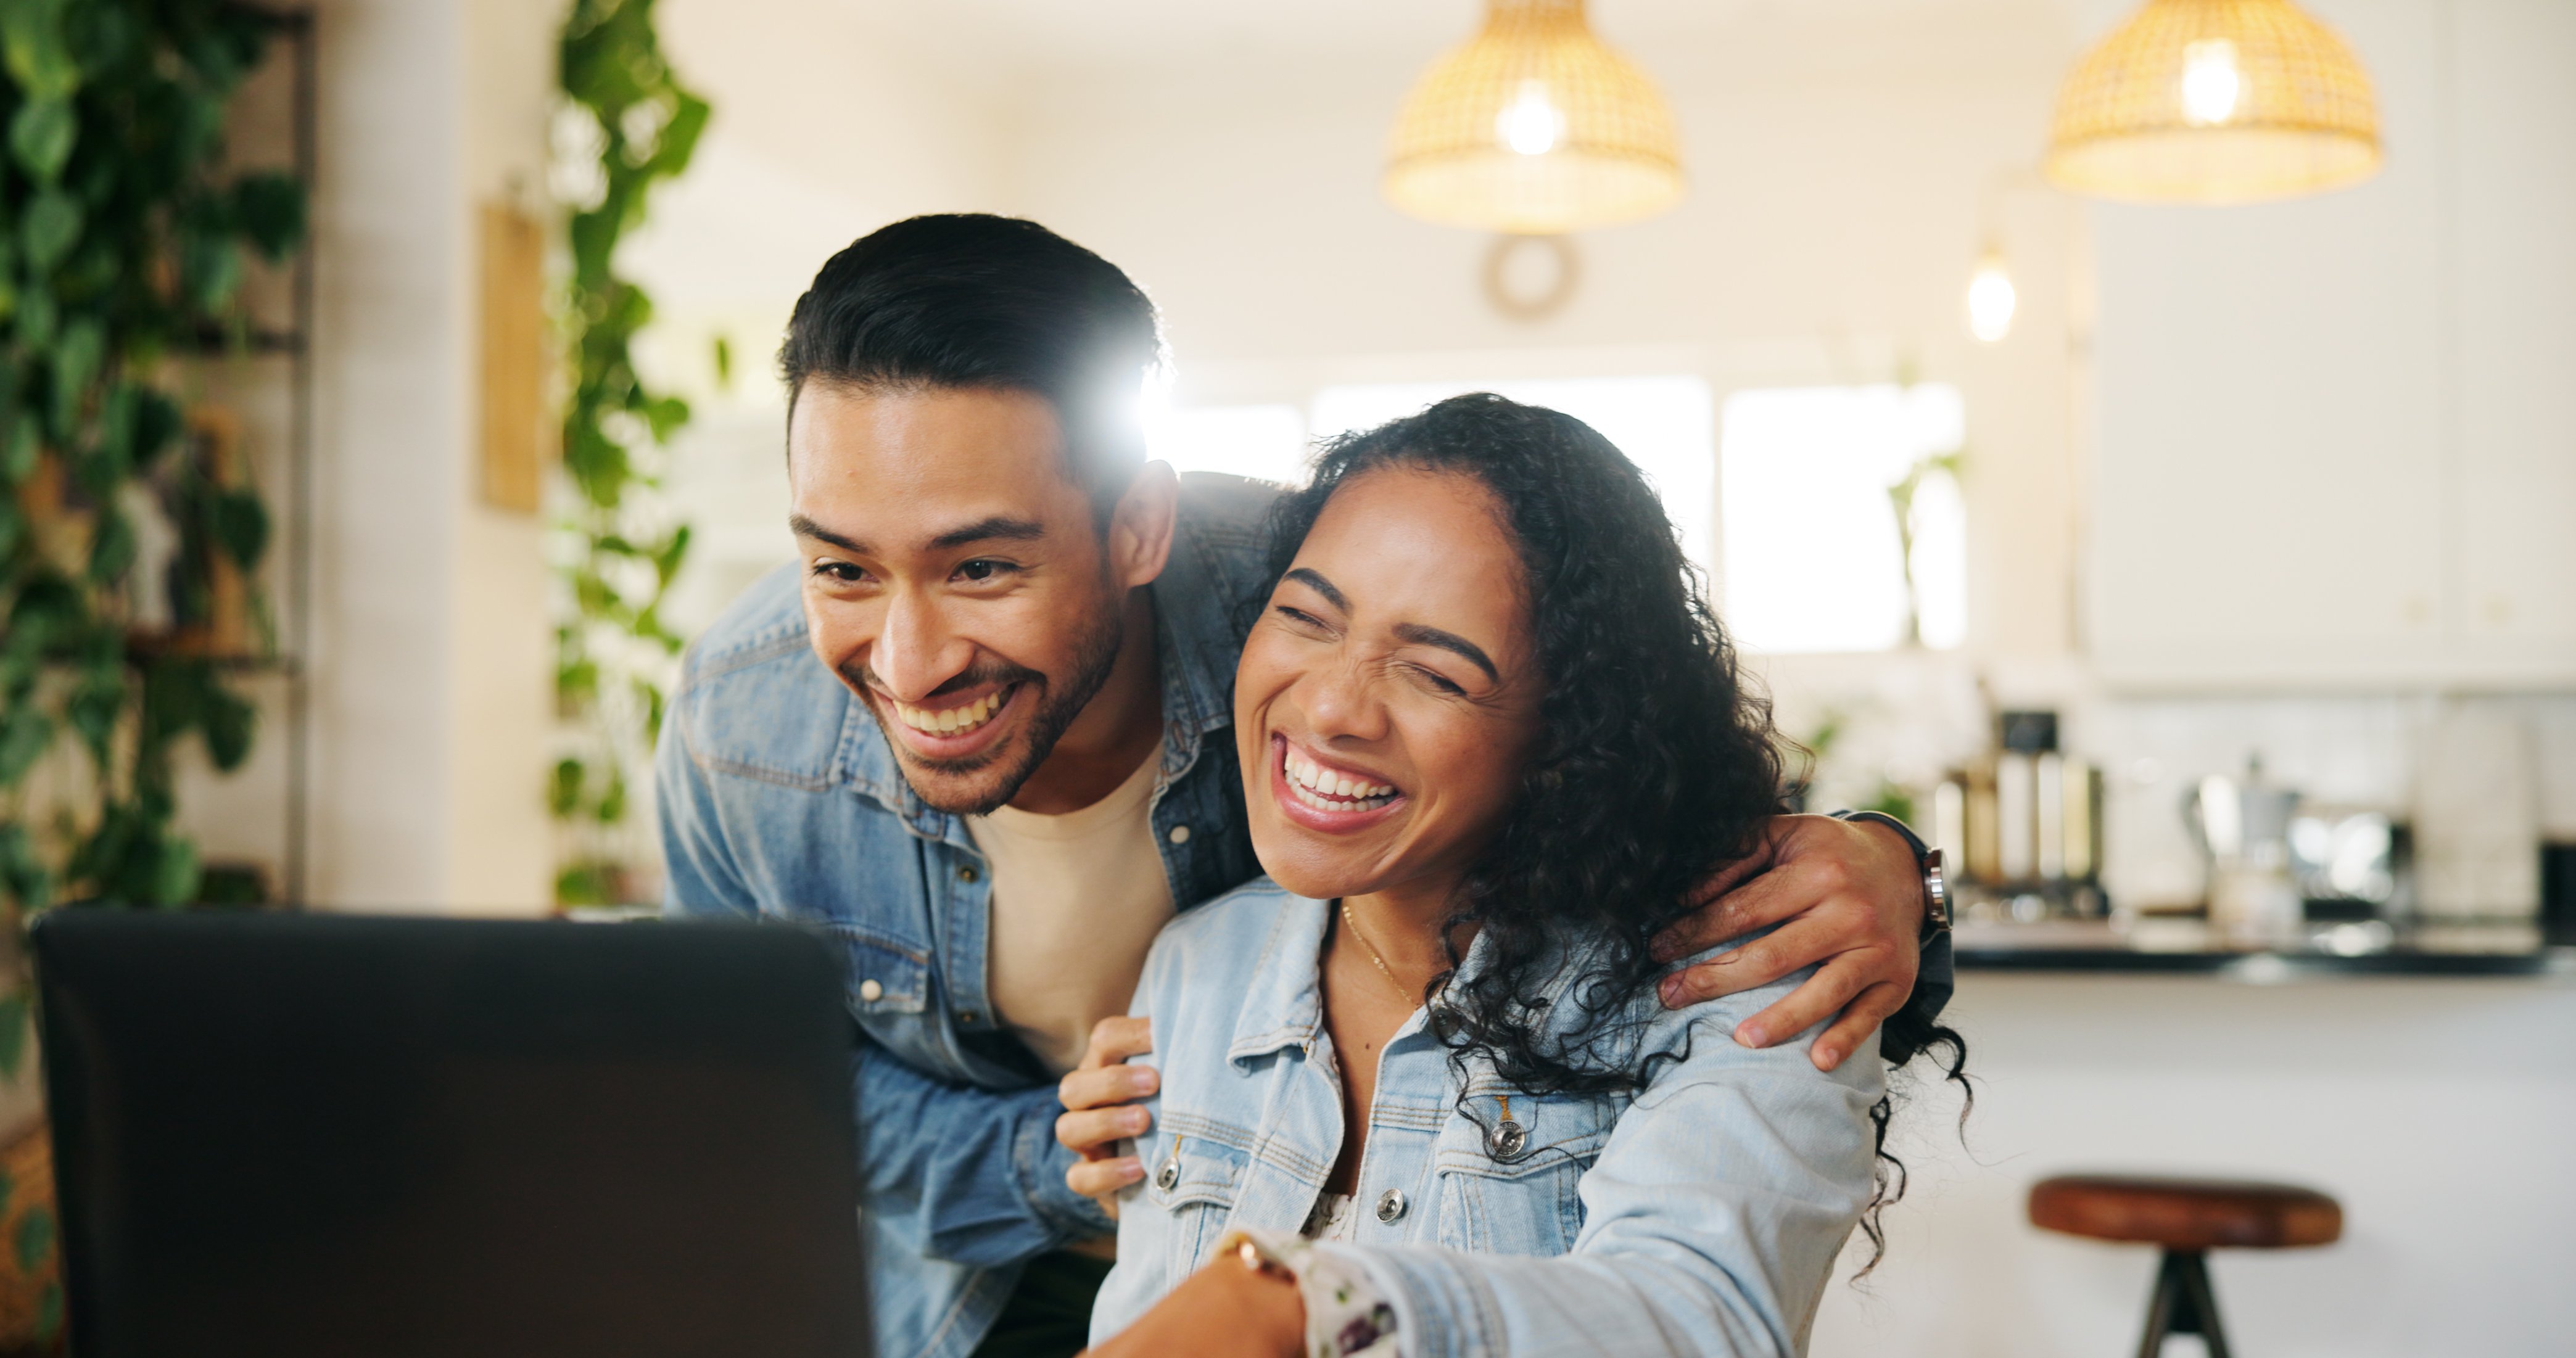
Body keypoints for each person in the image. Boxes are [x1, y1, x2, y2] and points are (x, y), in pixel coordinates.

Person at [656, 215, 1954, 1358]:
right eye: (841, 569)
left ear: (1137, 534)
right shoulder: (748, 730)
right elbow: (765, 1095)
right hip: (952, 1296)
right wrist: (1048, 1157)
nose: (910, 657)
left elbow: (1693, 1311)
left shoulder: (1283, 584)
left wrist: (1887, 858)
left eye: (983, 569)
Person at [1078, 394, 1966, 1357]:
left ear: (1564, 738)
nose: (1334, 706)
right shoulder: (1195, 967)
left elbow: (1698, 1323)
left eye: (1438, 674)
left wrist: (1313, 1301)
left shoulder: (1743, 968)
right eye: (1307, 617)